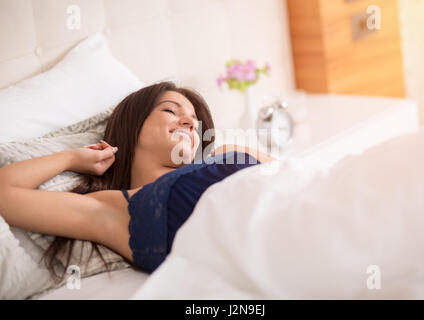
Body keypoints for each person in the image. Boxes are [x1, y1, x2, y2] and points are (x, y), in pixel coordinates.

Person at [0, 81, 276, 280]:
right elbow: (4, 191)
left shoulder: (226, 155)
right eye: (171, 111)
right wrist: (72, 158)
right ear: (134, 127)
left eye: (194, 120)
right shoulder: (115, 211)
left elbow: (295, 173)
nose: (190, 124)